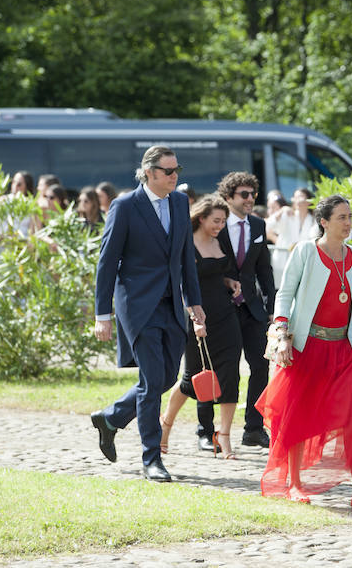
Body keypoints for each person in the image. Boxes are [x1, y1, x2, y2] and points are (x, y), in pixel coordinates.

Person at [256, 195, 352, 509]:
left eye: (350, 216)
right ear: (324, 222)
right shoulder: (305, 251)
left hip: (344, 349)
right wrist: (282, 333)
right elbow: (284, 294)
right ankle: (296, 485)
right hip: (307, 347)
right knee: (298, 416)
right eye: (341, 217)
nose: (348, 223)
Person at [90, 145, 205, 482]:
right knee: (154, 379)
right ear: (149, 172)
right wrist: (102, 314)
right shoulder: (125, 206)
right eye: (169, 171)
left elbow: (185, 258)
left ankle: (110, 418)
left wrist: (194, 301)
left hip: (171, 304)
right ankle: (151, 459)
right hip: (137, 305)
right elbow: (107, 262)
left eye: (177, 170)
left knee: (166, 377)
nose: (174, 177)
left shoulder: (181, 203)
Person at [160, 196, 242, 459]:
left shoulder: (221, 240)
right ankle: (165, 425)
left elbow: (216, 273)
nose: (220, 225)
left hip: (226, 315)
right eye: (216, 221)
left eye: (224, 221)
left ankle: (225, 436)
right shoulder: (186, 243)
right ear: (201, 218)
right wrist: (195, 319)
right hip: (194, 314)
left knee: (230, 374)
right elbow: (182, 285)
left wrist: (229, 281)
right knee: (191, 380)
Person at [215, 171, 276, 449]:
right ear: (229, 197)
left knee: (261, 365)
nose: (250, 199)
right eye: (244, 194)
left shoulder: (258, 225)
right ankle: (209, 430)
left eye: (253, 194)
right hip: (221, 306)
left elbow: (264, 269)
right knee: (224, 370)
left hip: (252, 308)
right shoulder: (215, 223)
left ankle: (254, 428)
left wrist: (272, 308)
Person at [267, 187, 316, 288]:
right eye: (295, 197)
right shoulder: (287, 214)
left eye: (301, 197)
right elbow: (269, 226)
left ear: (309, 201)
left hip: (302, 264)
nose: (297, 200)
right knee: (279, 290)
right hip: (282, 261)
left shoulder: (313, 220)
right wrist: (280, 212)